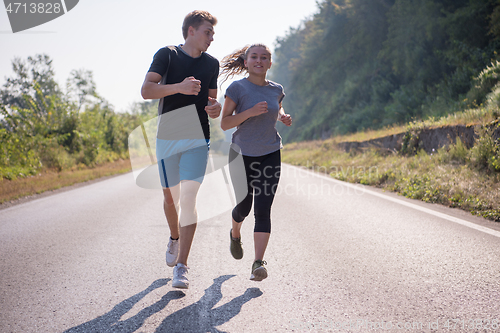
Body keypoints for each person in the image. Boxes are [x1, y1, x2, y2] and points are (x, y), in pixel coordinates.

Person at [140, 10, 221, 289]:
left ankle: (183, 266)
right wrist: (179, 87)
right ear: (191, 31)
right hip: (168, 137)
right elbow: (147, 90)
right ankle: (174, 237)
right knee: (170, 198)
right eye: (207, 32)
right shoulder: (168, 54)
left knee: (188, 198)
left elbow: (213, 101)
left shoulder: (212, 63)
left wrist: (215, 108)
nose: (212, 38)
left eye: (212, 33)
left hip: (198, 138)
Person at [219, 44, 292, 281]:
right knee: (244, 208)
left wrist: (282, 116)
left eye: (264, 58)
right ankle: (235, 232)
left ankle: (258, 263)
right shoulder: (237, 88)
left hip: (270, 152)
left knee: (263, 209)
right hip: (241, 154)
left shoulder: (277, 89)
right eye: (254, 57)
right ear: (246, 62)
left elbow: (276, 106)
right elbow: (225, 124)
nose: (259, 61)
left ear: (270, 63)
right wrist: (250, 112)